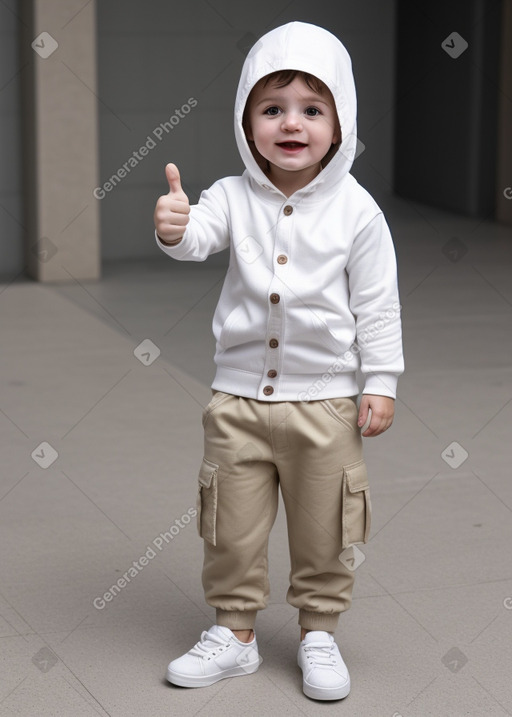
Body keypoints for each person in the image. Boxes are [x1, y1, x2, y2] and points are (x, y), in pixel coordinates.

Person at [153, 21, 404, 701]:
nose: (291, 124)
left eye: (311, 109)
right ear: (246, 122)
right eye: (272, 109)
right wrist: (175, 226)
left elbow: (377, 303)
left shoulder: (357, 211)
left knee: (327, 525)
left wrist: (378, 382)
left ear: (339, 122)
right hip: (236, 402)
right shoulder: (232, 196)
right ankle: (233, 634)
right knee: (228, 524)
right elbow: (198, 237)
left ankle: (318, 631)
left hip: (325, 404)